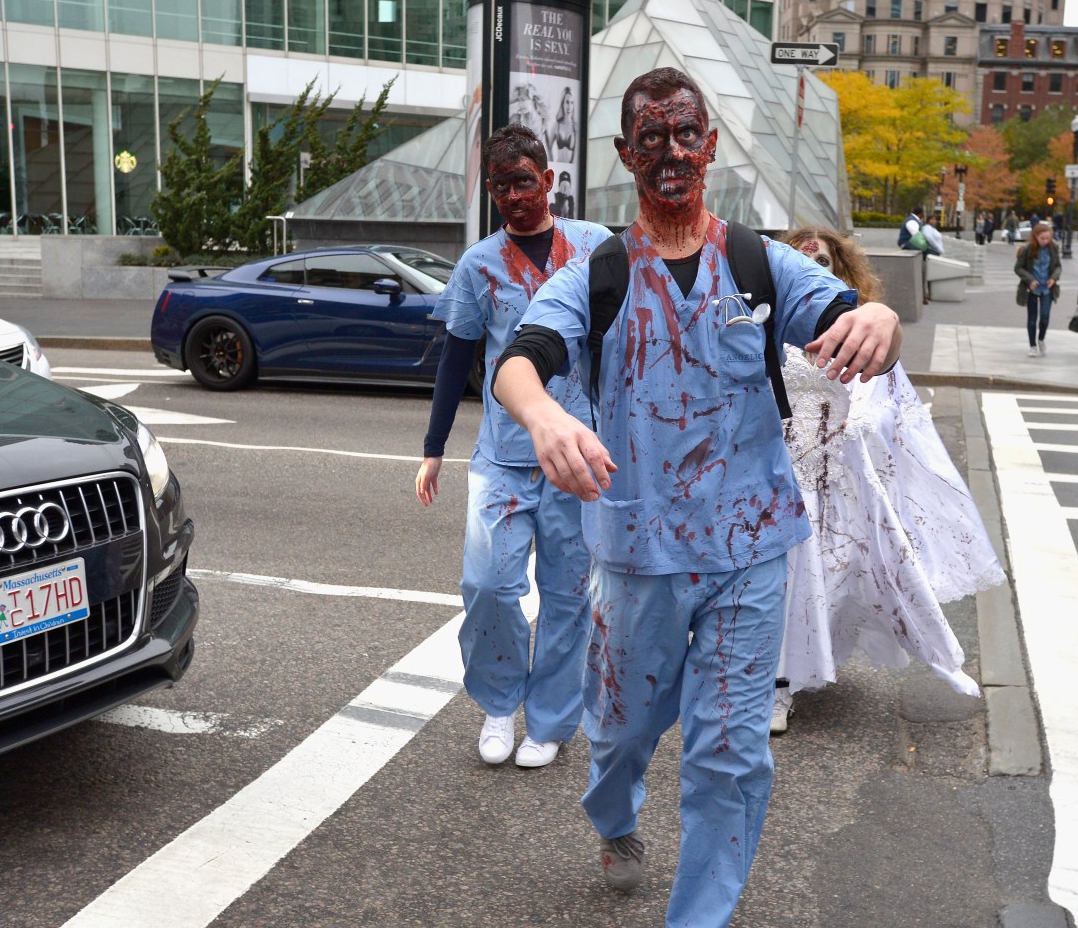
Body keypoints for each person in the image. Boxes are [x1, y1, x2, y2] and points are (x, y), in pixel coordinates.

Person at [492, 67, 901, 928]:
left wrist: (878, 319)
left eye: (687, 135)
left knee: (729, 749)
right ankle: (614, 816)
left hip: (751, 547)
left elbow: (851, 313)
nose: (671, 153)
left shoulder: (758, 262)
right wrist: (541, 420)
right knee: (622, 732)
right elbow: (521, 360)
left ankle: (699, 916)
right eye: (652, 137)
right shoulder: (598, 273)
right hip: (638, 551)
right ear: (624, 154)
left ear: (711, 146)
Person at [414, 124, 613, 769]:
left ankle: (551, 719)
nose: (513, 196)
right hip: (502, 454)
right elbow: (459, 357)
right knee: (489, 584)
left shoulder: (594, 249)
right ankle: (500, 703)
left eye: (524, 181)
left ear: (548, 180)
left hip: (575, 454)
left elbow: (626, 346)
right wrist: (433, 446)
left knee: (566, 593)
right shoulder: (479, 264)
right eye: (500, 186)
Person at [768, 227, 1001, 735]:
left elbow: (889, 396)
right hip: (778, 482)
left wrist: (859, 422)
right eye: (802, 260)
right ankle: (777, 686)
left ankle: (798, 670)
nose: (815, 268)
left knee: (827, 582)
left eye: (825, 261)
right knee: (783, 583)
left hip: (836, 486)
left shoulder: (859, 331)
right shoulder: (770, 325)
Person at [1015, 221, 1061, 357]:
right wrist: (1030, 280)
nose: (1045, 241)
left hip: (1047, 288)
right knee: (1032, 319)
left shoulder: (1053, 248)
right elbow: (1018, 268)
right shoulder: (1028, 249)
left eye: (1047, 238)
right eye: (1042, 238)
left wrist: (1054, 278)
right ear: (1035, 236)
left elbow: (1058, 266)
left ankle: (1041, 339)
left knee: (1045, 317)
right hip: (1032, 289)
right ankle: (1032, 345)